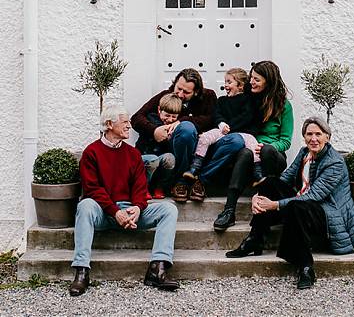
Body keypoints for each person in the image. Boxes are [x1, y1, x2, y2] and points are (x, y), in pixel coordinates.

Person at [225, 116, 354, 290]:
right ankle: (255, 240)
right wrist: (257, 196)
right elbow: (284, 179)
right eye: (309, 134)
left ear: (327, 137)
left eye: (318, 134)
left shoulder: (335, 163)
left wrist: (275, 205)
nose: (313, 139)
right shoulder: (304, 153)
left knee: (296, 205)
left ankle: (306, 267)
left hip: (328, 216)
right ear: (304, 136)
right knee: (270, 182)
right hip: (302, 208)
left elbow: (313, 196)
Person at [69, 105, 179, 296]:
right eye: (125, 121)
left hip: (130, 212)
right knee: (85, 205)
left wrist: (137, 207)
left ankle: (157, 269)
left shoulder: (133, 154)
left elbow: (140, 187)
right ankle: (82, 271)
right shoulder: (92, 153)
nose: (129, 125)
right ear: (109, 124)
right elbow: (93, 189)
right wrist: (115, 212)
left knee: (169, 209)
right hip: (103, 212)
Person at [131, 68, 244, 203]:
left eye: (186, 92)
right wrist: (154, 130)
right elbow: (137, 118)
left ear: (196, 92)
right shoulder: (167, 95)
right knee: (186, 130)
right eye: (178, 88)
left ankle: (200, 180)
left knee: (236, 141)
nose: (179, 94)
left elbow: (211, 118)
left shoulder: (208, 96)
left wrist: (181, 121)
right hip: (179, 150)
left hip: (204, 148)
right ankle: (181, 182)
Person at [213, 60, 294, 232]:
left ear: (269, 81)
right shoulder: (250, 100)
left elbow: (286, 141)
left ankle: (265, 204)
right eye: (251, 78)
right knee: (245, 153)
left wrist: (267, 145)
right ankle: (229, 210)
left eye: (256, 79)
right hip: (250, 152)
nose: (251, 82)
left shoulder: (284, 106)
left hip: (273, 155)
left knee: (265, 150)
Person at [183, 68, 263, 185]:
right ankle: (194, 167)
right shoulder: (221, 100)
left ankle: (258, 175)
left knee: (254, 147)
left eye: (229, 82)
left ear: (240, 86)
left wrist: (229, 126)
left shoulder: (248, 100)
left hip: (243, 133)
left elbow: (246, 117)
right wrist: (221, 123)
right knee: (205, 138)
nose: (225, 85)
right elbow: (217, 114)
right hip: (222, 130)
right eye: (225, 82)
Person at [136, 93, 183, 199]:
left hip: (160, 161)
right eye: (167, 115)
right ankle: (144, 188)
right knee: (153, 160)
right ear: (159, 110)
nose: (170, 119)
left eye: (173, 117)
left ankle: (159, 187)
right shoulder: (150, 120)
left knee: (170, 158)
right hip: (144, 159)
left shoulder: (175, 126)